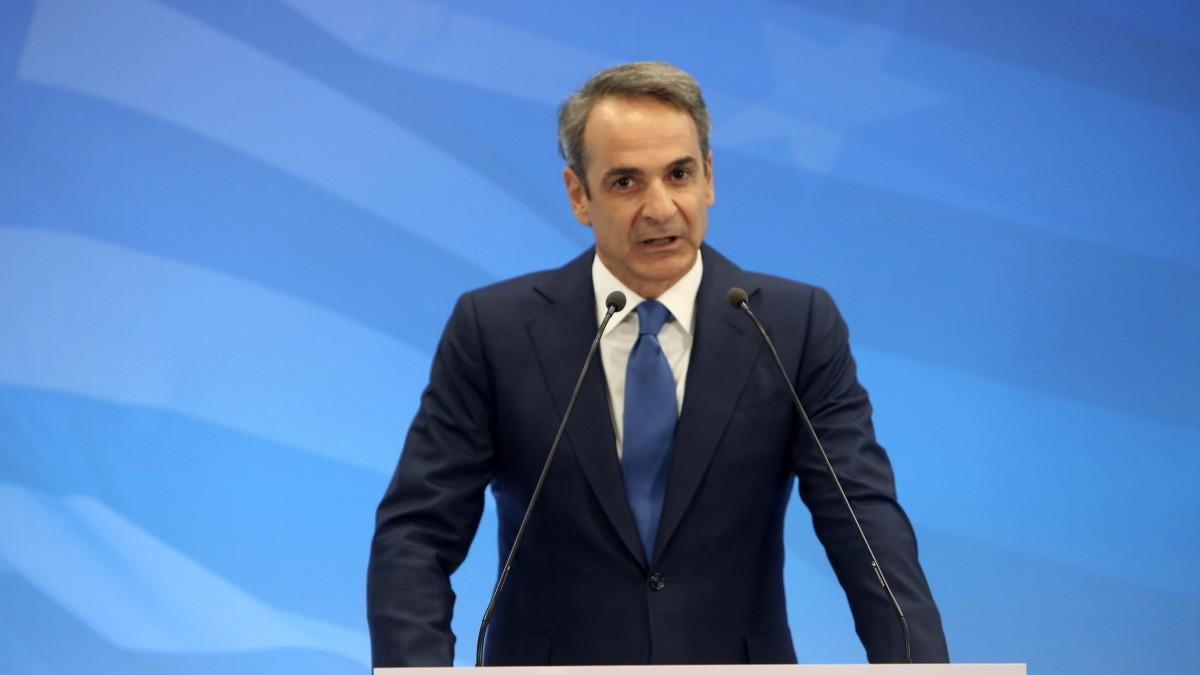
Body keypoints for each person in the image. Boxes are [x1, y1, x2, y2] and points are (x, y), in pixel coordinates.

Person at [367, 61, 948, 666]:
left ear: (709, 179)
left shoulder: (792, 326)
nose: (661, 207)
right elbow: (418, 534)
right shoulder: (494, 330)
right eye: (625, 182)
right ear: (579, 195)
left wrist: (921, 666)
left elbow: (863, 523)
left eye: (679, 174)